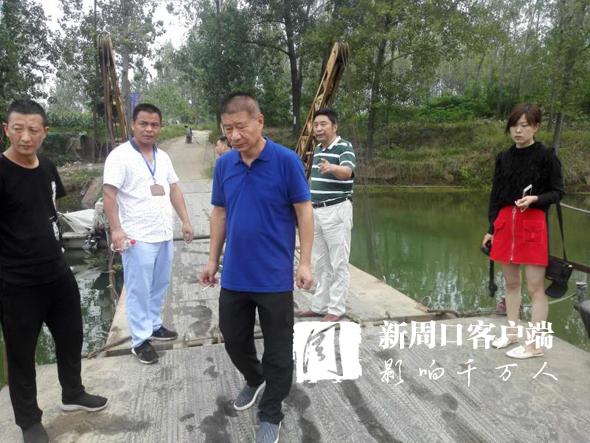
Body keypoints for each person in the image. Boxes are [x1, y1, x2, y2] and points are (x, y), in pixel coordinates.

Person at [199, 92, 313, 443]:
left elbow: (304, 211)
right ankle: (254, 377)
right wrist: (212, 260)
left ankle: (271, 412)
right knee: (233, 338)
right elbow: (219, 213)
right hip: (235, 273)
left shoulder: (286, 161)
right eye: (227, 129)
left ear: (259, 122)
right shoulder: (225, 165)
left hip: (274, 276)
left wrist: (305, 262)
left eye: (241, 127)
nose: (234, 136)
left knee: (278, 350)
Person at [0, 99, 108, 443]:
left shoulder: (47, 167)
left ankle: (72, 392)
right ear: (6, 130)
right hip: (17, 282)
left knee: (71, 335)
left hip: (58, 273)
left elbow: (50, 211)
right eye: (18, 129)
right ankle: (29, 421)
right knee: (21, 354)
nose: (25, 137)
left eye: (33, 130)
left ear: (44, 132)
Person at [103, 103, 193, 365]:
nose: (149, 129)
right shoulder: (119, 156)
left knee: (160, 284)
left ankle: (154, 324)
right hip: (137, 236)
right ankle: (140, 340)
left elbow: (174, 189)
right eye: (143, 123)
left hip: (163, 233)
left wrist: (185, 220)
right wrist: (116, 230)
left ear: (160, 127)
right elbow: (109, 194)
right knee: (138, 289)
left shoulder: (162, 157)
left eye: (154, 124)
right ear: (133, 124)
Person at [482, 103, 564, 359]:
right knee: (511, 283)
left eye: (524, 126)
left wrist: (535, 199)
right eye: (514, 126)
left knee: (535, 287)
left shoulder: (546, 156)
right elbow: (496, 195)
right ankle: (511, 333)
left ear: (535, 127)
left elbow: (558, 192)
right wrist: (491, 229)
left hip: (533, 223)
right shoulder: (503, 158)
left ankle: (534, 345)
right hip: (505, 223)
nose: (518, 131)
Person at [297, 108, 355, 322]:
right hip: (317, 211)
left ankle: (336, 309)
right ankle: (320, 306)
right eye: (316, 125)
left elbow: (347, 172)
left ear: (334, 126)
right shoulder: (318, 149)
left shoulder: (344, 147)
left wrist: (332, 167)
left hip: (337, 210)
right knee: (320, 262)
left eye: (323, 124)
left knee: (339, 262)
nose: (318, 128)